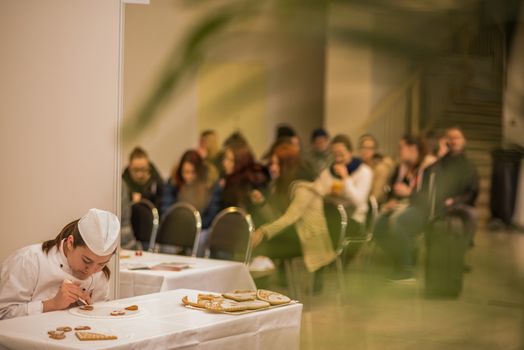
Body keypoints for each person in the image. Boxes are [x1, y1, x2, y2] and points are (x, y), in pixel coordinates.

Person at [0, 209, 120, 320]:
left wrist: (92, 309)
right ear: (70, 243)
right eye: (86, 261)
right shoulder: (28, 260)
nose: (91, 271)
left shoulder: (100, 275)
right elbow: (3, 314)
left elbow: (100, 319)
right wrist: (51, 304)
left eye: (102, 264)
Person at [251, 143, 336, 274]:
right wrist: (262, 203)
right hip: (293, 232)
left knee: (266, 244)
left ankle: (262, 280)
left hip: (308, 237)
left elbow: (290, 217)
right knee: (263, 239)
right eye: (271, 164)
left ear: (287, 165)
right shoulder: (280, 185)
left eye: (276, 163)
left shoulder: (305, 187)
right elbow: (275, 218)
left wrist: (263, 232)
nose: (272, 168)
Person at [374, 135, 434, 282]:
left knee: (398, 221)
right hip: (404, 206)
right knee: (378, 226)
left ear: (413, 149)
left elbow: (431, 197)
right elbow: (393, 189)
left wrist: (410, 193)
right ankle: (402, 258)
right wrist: (391, 201)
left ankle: (405, 269)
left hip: (422, 209)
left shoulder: (429, 168)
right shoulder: (401, 167)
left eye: (401, 147)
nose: (399, 151)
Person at [162, 150, 222, 255]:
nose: (188, 176)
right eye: (185, 172)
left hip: (202, 227)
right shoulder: (174, 183)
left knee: (200, 240)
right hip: (178, 226)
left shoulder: (210, 184)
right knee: (168, 243)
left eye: (193, 172)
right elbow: (167, 210)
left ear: (199, 172)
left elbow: (212, 215)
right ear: (180, 171)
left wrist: (192, 227)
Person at [317, 134, 373, 237]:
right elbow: (318, 192)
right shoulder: (327, 172)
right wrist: (327, 193)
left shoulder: (364, 171)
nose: (338, 159)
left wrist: (346, 178)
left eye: (341, 155)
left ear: (350, 152)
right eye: (335, 155)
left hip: (354, 219)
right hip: (332, 214)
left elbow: (359, 202)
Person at [122, 147, 165, 214]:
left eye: (143, 169)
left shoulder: (158, 183)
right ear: (129, 167)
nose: (139, 174)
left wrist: (143, 197)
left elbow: (162, 205)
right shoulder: (122, 185)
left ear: (148, 167)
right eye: (135, 170)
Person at [357, 134, 395, 205]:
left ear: (375, 151)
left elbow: (375, 196)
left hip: (373, 206)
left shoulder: (381, 168)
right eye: (363, 147)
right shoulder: (358, 166)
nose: (365, 151)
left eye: (369, 148)